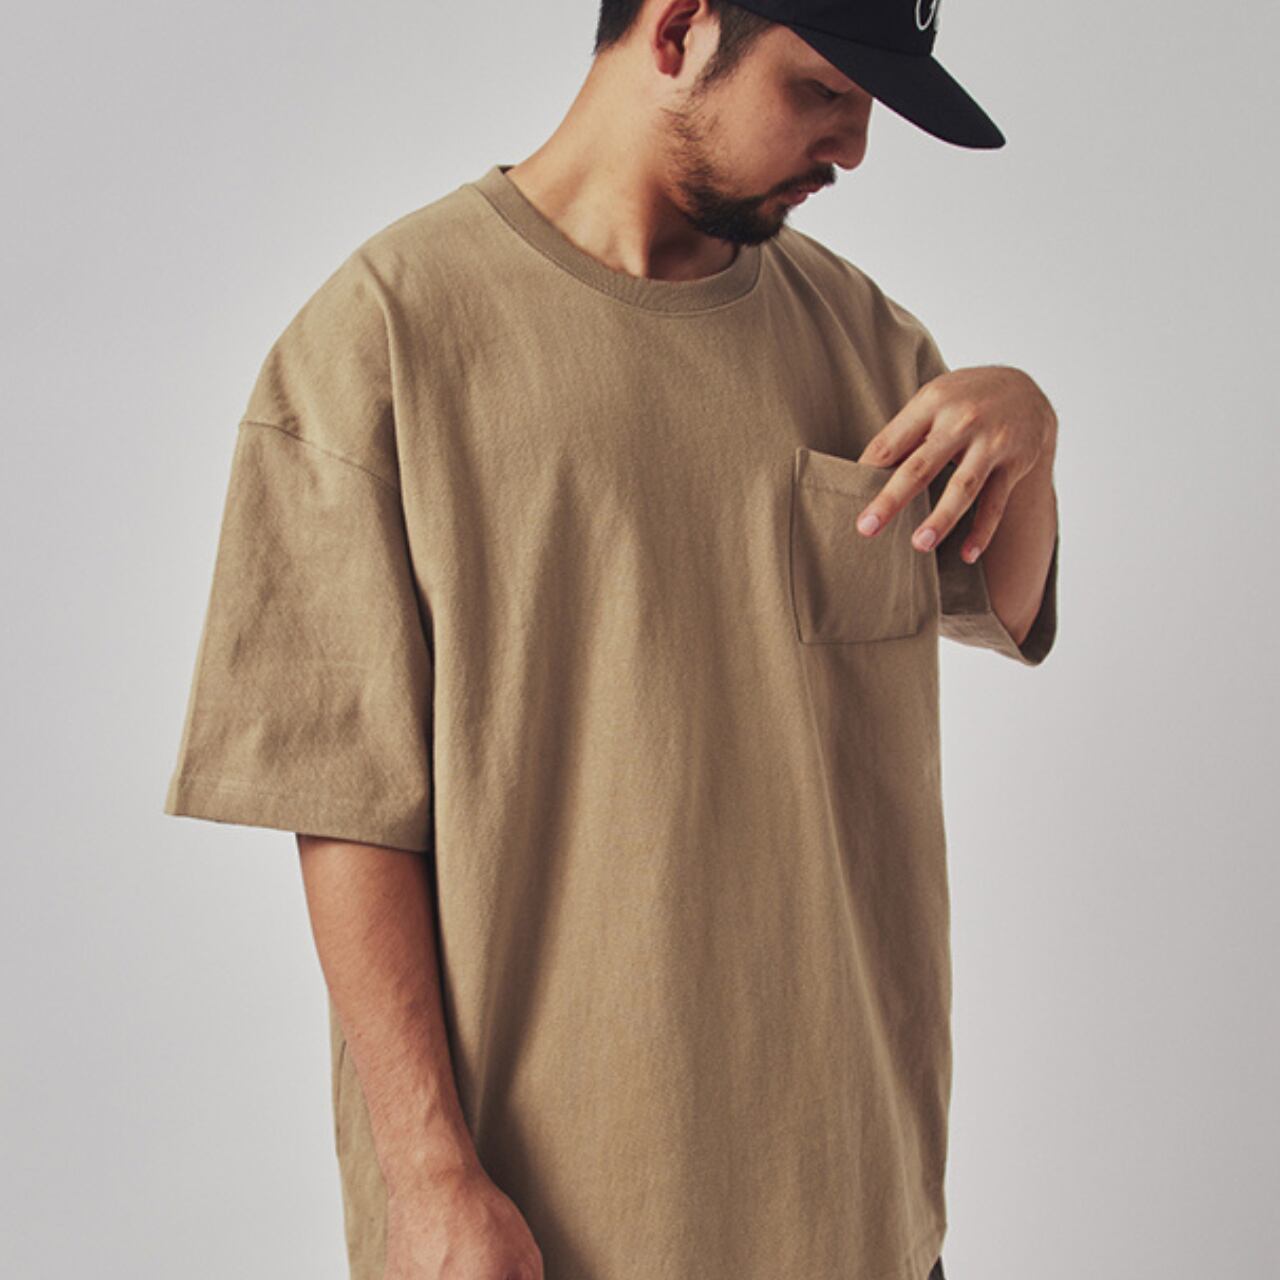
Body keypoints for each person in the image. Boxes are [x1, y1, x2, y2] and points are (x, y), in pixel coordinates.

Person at [163, 1, 1060, 1277]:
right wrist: (427, 1176)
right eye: (821, 91)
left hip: (853, 1209)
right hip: (551, 1229)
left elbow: (1005, 608)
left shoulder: (863, 340)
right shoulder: (381, 339)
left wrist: (1029, 425)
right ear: (679, 28)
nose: (854, 148)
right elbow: (343, 806)